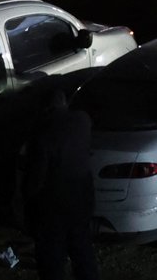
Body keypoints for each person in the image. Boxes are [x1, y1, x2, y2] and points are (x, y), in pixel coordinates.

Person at [22, 89, 98, 280]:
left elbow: (36, 178)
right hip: (81, 198)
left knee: (52, 259)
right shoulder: (82, 121)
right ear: (65, 102)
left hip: (53, 207)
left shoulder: (42, 133)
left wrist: (27, 200)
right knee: (82, 251)